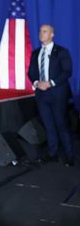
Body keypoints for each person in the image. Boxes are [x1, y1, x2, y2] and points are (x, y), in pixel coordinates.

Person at [27, 23, 75, 166]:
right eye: (41, 31)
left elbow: (67, 71)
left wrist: (51, 83)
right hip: (42, 95)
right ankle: (52, 153)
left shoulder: (61, 51)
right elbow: (31, 72)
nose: (41, 34)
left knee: (61, 124)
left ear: (52, 34)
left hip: (57, 94)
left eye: (45, 31)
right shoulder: (36, 53)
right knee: (48, 125)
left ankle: (70, 156)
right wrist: (36, 83)